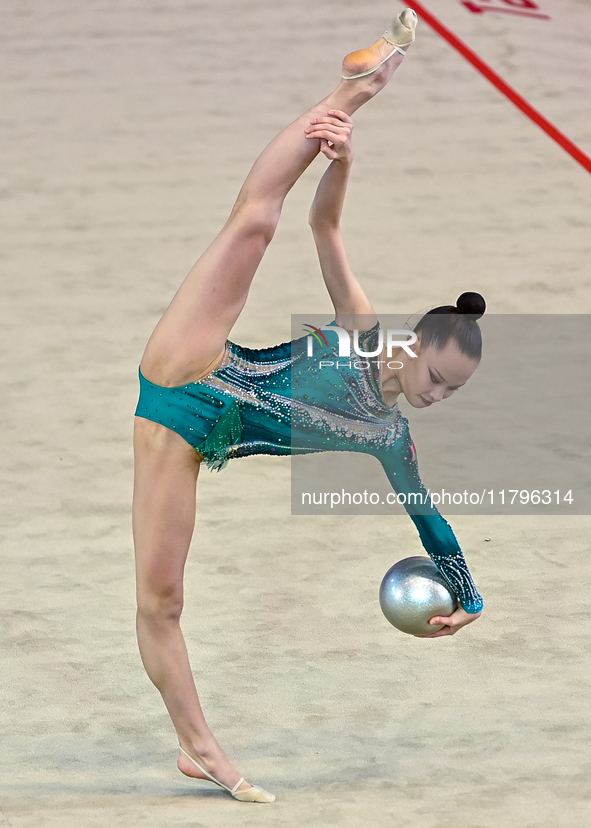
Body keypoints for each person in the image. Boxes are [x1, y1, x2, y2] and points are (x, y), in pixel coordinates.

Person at [133, 8, 482, 804]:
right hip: (193, 359)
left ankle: (198, 749)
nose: (434, 396)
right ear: (412, 347)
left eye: (450, 394)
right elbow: (323, 224)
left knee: (163, 600)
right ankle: (355, 89)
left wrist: (470, 595)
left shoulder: (391, 439)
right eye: (435, 376)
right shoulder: (361, 333)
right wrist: (340, 161)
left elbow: (428, 520)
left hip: (179, 434)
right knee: (255, 223)